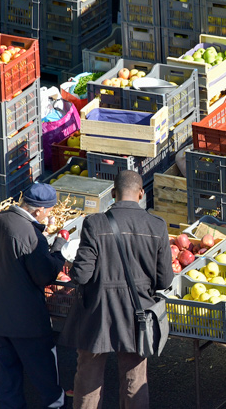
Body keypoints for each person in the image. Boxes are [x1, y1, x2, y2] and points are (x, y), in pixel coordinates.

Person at [60, 171, 173, 409]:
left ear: (113, 194)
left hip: (97, 314)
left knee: (88, 379)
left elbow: (81, 275)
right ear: (141, 193)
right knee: (135, 380)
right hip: (136, 315)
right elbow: (164, 280)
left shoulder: (94, 223)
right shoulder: (157, 225)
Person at [0, 183, 67, 409]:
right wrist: (58, 250)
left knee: (8, 372)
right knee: (43, 369)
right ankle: (54, 405)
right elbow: (43, 275)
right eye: (48, 210)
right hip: (26, 320)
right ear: (38, 211)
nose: (49, 214)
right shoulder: (30, 234)